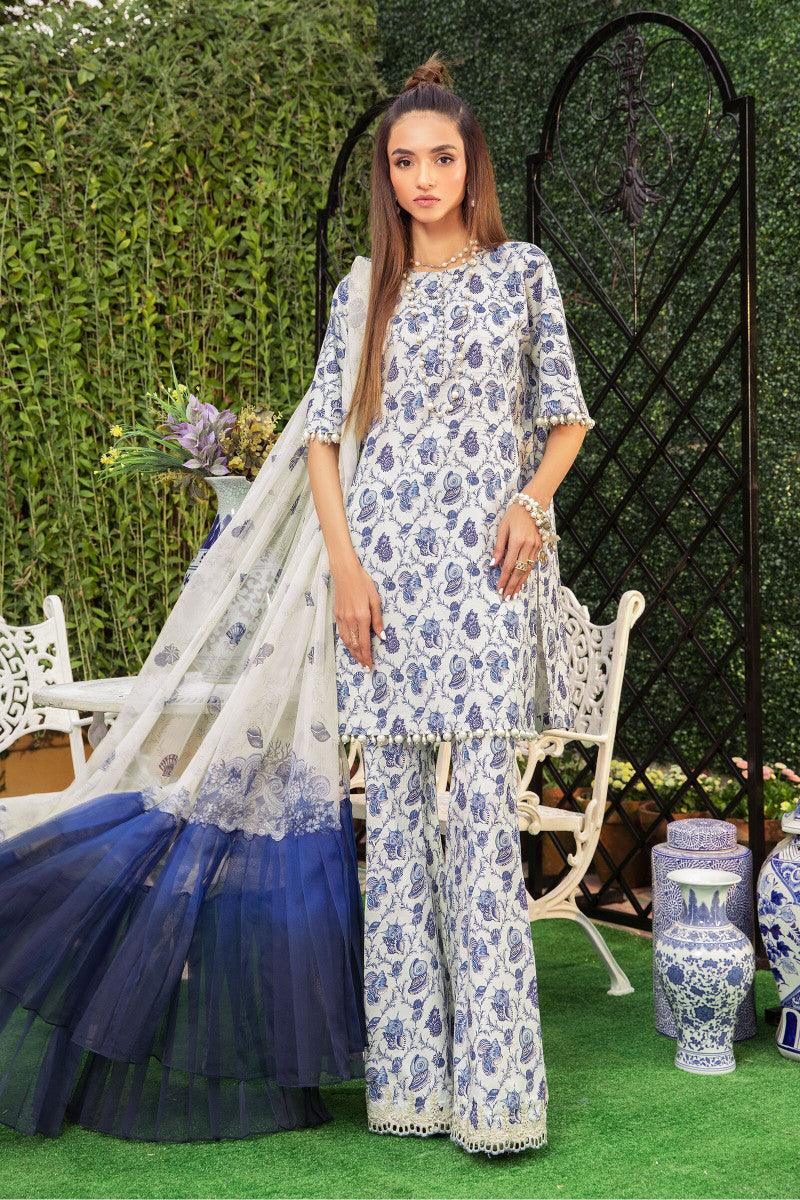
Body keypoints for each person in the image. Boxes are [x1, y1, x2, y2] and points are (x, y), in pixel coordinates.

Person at [304, 54, 595, 1156]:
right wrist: (345, 569)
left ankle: (498, 1095)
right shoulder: (362, 293)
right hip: (382, 579)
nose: (422, 178)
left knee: (479, 819)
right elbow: (323, 442)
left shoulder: (523, 273)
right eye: (403, 162)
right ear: (387, 176)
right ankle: (409, 1088)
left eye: (440, 158)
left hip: (486, 575)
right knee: (392, 829)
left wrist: (529, 501)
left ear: (471, 167)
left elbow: (565, 415)